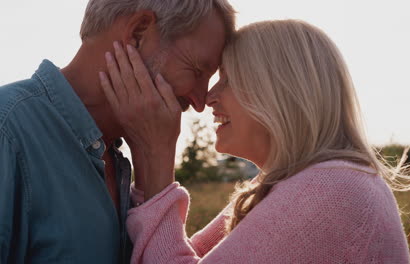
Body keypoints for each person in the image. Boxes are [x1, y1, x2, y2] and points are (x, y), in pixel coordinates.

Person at [101, 19, 410, 263]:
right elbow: (161, 252)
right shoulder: (294, 185)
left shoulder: (332, 190)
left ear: (278, 92)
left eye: (229, 80)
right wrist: (147, 155)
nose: (210, 97)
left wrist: (158, 154)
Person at [0, 0, 235, 263]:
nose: (200, 102)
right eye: (197, 70)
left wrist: (155, 160)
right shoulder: (8, 130)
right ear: (137, 34)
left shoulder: (115, 155)